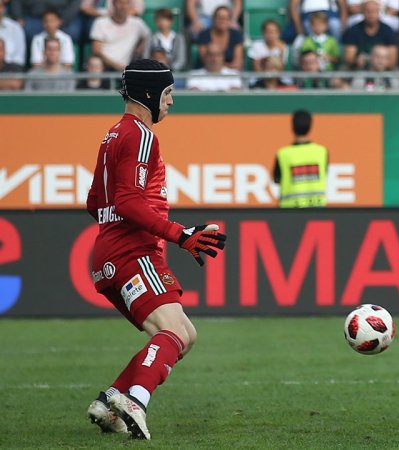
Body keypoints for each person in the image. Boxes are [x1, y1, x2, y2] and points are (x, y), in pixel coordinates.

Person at [85, 58, 227, 440]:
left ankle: (110, 399)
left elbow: (95, 200)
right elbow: (129, 201)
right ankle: (136, 399)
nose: (171, 102)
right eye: (168, 94)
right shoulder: (141, 135)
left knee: (182, 333)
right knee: (175, 333)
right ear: (150, 94)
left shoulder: (113, 134)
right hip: (133, 250)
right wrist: (178, 233)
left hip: (108, 253)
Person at [273, 110, 330, 208]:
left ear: (293, 127)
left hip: (290, 209)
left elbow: (277, 179)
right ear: (310, 126)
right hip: (317, 208)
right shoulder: (322, 152)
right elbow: (324, 173)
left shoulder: (283, 154)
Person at [90, 0, 151, 71]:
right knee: (95, 62)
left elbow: (149, 37)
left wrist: (139, 48)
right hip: (105, 66)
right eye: (120, 3)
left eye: (126, 3)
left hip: (127, 67)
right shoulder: (100, 22)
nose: (123, 6)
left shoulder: (137, 23)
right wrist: (116, 65)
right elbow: (97, 51)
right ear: (113, 4)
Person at [342, 0, 399, 69]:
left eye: (374, 11)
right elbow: (348, 58)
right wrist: (357, 61)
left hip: (384, 70)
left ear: (379, 12)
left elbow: (393, 60)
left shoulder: (388, 31)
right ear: (362, 12)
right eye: (367, 11)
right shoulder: (353, 31)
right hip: (359, 70)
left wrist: (379, 63)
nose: (371, 14)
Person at [195, 5, 244, 70]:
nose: (222, 21)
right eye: (219, 18)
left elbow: (237, 64)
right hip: (206, 73)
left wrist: (220, 66)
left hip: (230, 74)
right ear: (213, 19)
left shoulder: (236, 35)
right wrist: (225, 66)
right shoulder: (204, 35)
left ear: (230, 21)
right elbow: (205, 61)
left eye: (226, 18)